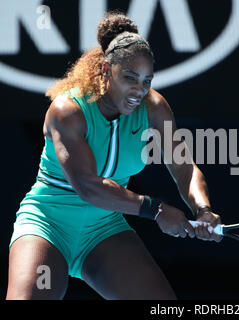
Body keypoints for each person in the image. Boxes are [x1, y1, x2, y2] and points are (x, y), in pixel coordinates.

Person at [6, 11, 221, 300]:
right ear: (106, 69)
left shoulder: (154, 108)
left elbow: (185, 169)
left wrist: (203, 209)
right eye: (130, 77)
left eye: (146, 80)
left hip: (103, 230)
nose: (139, 90)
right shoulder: (67, 110)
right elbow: (89, 187)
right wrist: (155, 209)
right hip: (47, 224)